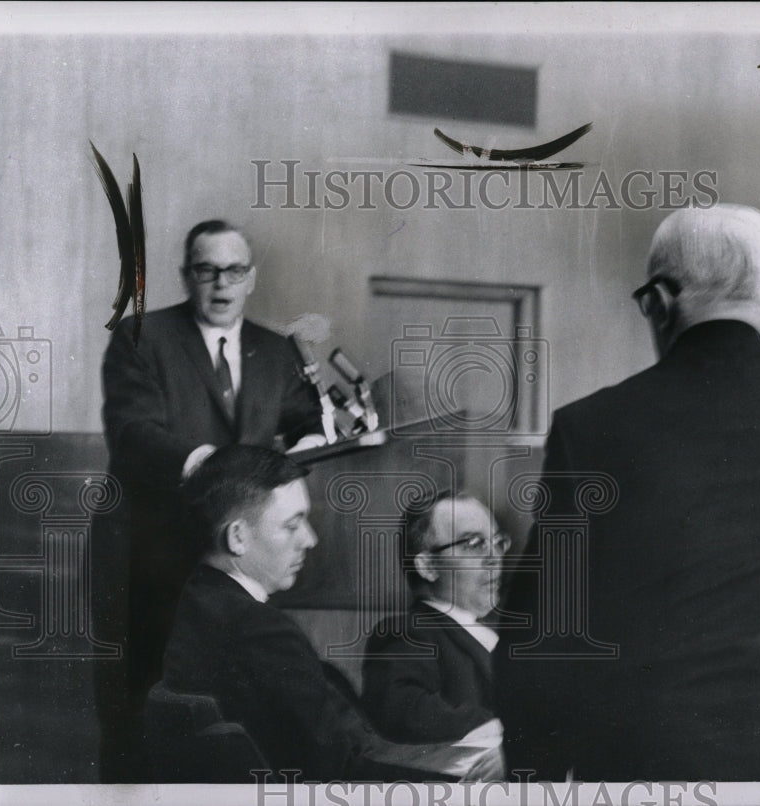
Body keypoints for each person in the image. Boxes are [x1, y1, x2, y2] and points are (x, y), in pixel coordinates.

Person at [495, 203, 760, 781]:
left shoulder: (592, 426)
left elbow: (541, 628)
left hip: (672, 767)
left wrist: (535, 778)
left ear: (655, 302)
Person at [97, 219, 322, 780]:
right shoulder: (140, 336)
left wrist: (314, 442)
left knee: (234, 709)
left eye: (234, 271)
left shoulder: (275, 350)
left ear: (251, 278)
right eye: (207, 270)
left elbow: (304, 419)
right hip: (153, 560)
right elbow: (131, 433)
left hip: (237, 563)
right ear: (186, 275)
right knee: (144, 709)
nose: (221, 284)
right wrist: (210, 464)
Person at [159, 445, 497, 781]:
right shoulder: (260, 631)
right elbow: (339, 771)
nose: (311, 539)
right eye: (293, 525)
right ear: (237, 538)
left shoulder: (197, 606)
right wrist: (467, 788)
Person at [362, 493, 507, 747]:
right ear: (428, 566)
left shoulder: (491, 633)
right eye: (474, 543)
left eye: (497, 542)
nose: (494, 558)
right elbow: (400, 711)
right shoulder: (407, 632)